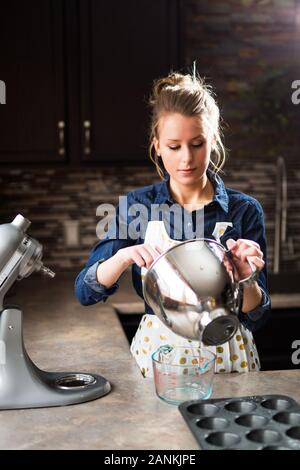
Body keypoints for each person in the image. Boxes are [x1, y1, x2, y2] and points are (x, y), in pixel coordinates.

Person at [75, 71, 271, 377]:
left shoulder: (244, 211)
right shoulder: (137, 207)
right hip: (159, 361)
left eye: (197, 144)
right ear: (156, 145)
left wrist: (245, 280)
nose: (186, 159)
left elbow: (258, 316)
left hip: (229, 362)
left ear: (213, 139)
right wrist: (123, 256)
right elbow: (85, 292)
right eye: (174, 146)